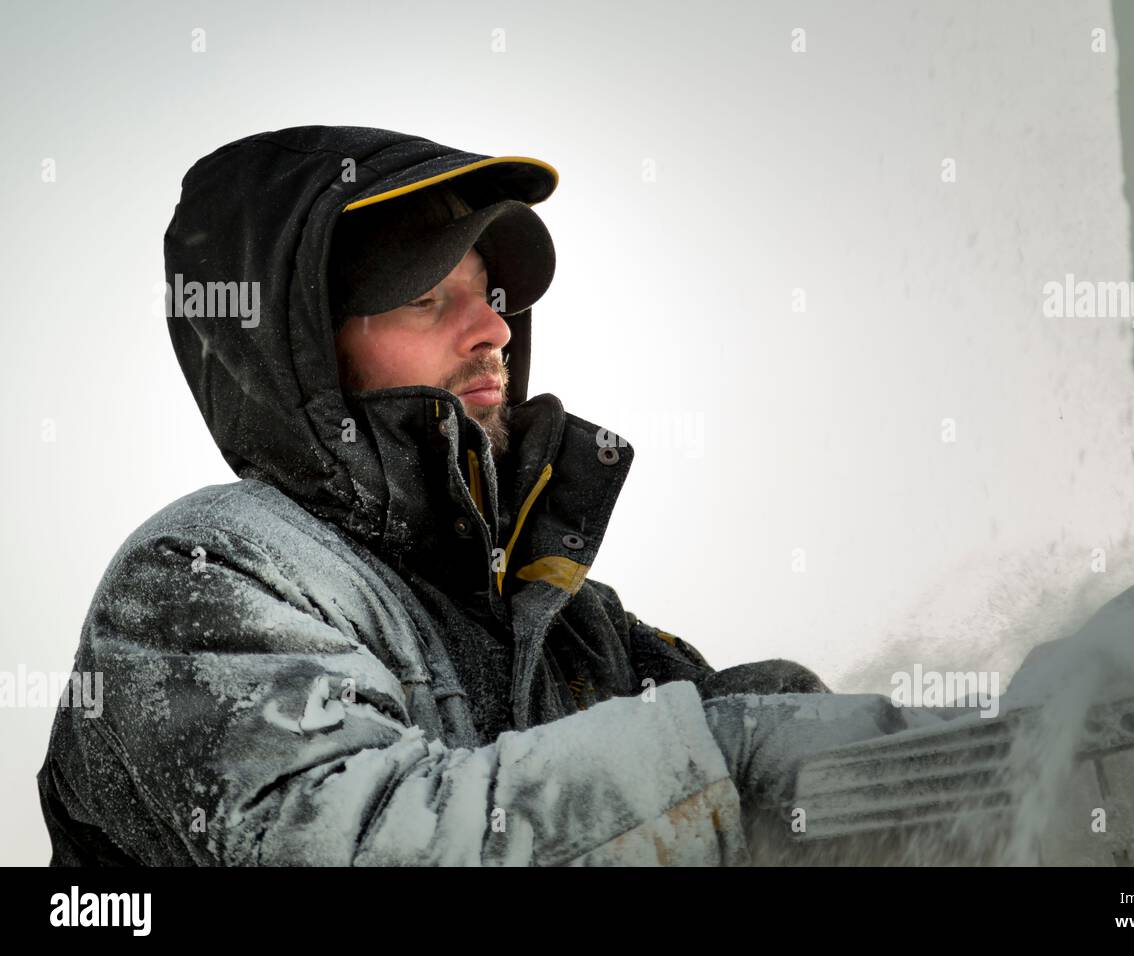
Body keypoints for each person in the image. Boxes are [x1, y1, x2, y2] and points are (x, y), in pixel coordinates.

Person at [37, 125, 941, 866]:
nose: (493, 329)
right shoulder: (207, 575)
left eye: (488, 294)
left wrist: (985, 747)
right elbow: (364, 845)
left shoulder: (568, 623)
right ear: (306, 355)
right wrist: (735, 762)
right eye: (430, 299)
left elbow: (756, 729)